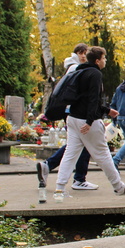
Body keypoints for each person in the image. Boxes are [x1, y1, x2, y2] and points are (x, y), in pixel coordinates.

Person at [53, 46, 125, 198]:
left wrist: (106, 110)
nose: (105, 61)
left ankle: (60, 188)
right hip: (86, 120)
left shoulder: (80, 71)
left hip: (72, 118)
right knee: (103, 154)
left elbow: (83, 98)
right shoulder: (95, 74)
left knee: (70, 153)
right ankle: (119, 187)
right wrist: (90, 121)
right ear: (97, 60)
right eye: (104, 58)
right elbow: (93, 99)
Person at [36, 43, 97, 190]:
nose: (84, 56)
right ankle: (78, 179)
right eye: (81, 53)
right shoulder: (75, 68)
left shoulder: (73, 67)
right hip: (74, 112)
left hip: (71, 111)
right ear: (76, 53)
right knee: (80, 144)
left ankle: (49, 166)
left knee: (76, 144)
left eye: (85, 53)